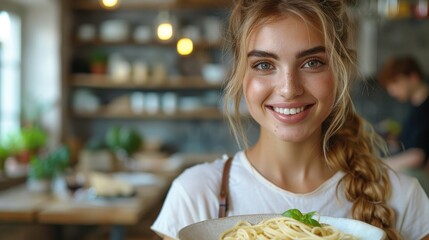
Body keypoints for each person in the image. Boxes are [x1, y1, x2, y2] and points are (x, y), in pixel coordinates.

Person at [151, 1, 429, 239]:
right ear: (240, 77)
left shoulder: (402, 198)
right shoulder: (195, 196)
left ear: (340, 70)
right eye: (264, 65)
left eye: (312, 62)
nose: (288, 88)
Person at [378, 56, 429, 171]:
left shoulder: (425, 110)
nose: (391, 90)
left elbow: (417, 156)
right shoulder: (415, 108)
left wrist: (379, 165)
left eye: (395, 82)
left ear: (413, 77)